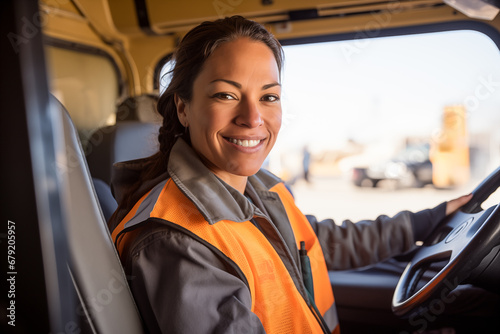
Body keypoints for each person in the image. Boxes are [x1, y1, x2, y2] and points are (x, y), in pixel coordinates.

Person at [108, 16, 471, 334]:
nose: (252, 118)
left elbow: (324, 242)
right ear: (183, 108)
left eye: (269, 97)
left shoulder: (262, 189)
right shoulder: (175, 241)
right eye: (226, 95)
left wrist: (431, 220)